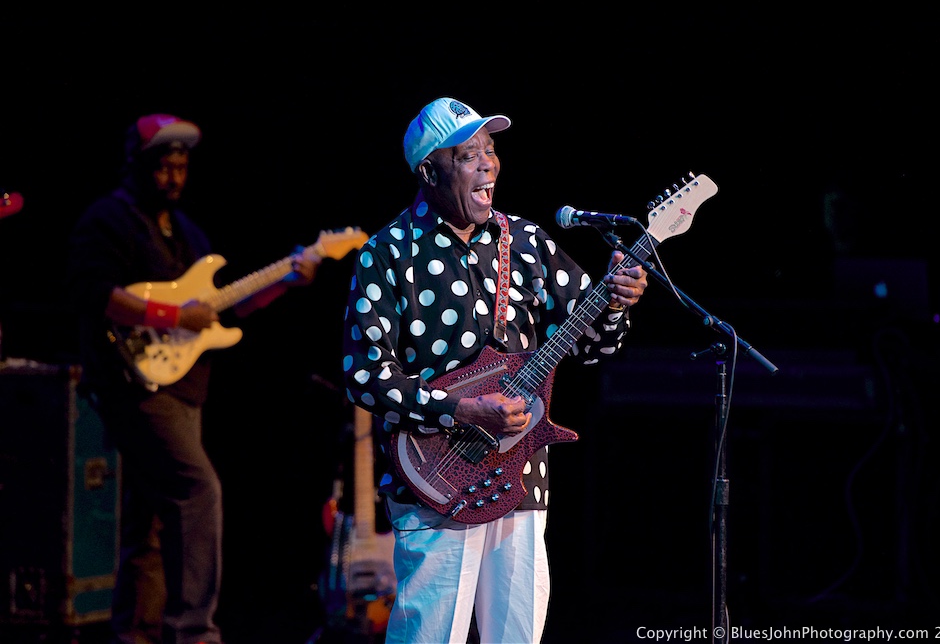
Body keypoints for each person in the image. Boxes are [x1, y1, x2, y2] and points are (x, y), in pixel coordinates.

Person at [340, 97, 649, 644]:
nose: (487, 164)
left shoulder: (525, 242)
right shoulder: (386, 255)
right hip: (435, 481)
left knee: (519, 634)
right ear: (429, 171)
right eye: (467, 155)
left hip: (520, 478)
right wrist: (461, 408)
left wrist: (618, 303)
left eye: (490, 150)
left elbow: (593, 347)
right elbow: (365, 377)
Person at [65, 113, 321, 644]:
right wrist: (172, 317)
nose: (175, 177)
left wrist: (285, 281)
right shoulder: (107, 220)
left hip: (183, 386)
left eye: (181, 166)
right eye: (164, 166)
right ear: (136, 165)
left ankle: (136, 632)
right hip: (129, 383)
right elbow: (94, 293)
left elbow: (228, 309)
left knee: (153, 518)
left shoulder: (187, 233)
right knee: (198, 490)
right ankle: (194, 632)